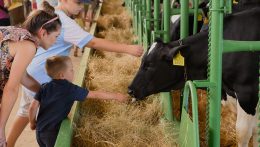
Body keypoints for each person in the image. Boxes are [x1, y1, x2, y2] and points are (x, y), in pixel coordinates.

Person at [7, 0, 143, 146]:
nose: (80, 6)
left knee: (25, 110)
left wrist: (33, 122)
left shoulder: (53, 15)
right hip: (43, 74)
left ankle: (9, 143)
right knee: (50, 116)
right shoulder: (64, 23)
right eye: (78, 2)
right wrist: (128, 49)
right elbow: (93, 43)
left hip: (32, 70)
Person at [29, 56, 127, 147]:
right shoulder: (70, 89)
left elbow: (32, 107)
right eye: (71, 70)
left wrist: (32, 123)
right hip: (54, 134)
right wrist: (116, 96)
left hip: (40, 132)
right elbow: (95, 94)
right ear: (62, 75)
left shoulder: (44, 87)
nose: (73, 71)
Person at [0, 9, 61, 146]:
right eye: (56, 36)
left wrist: (45, 91)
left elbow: (23, 77)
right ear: (43, 32)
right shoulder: (29, 46)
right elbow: (12, 88)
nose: (56, 41)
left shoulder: (19, 34)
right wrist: (1, 128)